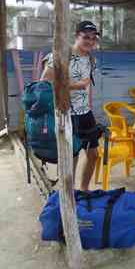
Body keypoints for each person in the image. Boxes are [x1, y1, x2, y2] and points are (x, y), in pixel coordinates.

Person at [41, 21, 101, 191]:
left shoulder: (91, 59)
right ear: (76, 36)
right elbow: (45, 82)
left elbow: (86, 83)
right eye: (86, 37)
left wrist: (81, 86)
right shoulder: (61, 55)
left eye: (93, 38)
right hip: (66, 112)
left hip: (85, 112)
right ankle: (70, 193)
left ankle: (84, 189)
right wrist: (75, 86)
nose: (90, 41)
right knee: (72, 157)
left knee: (93, 154)